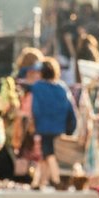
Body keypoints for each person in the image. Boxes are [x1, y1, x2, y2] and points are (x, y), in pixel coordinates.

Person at [29, 57, 77, 189]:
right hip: (59, 127)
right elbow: (71, 109)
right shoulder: (62, 88)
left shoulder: (38, 87)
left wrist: (34, 125)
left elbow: (36, 109)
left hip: (44, 127)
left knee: (48, 154)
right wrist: (70, 128)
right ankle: (40, 181)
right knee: (47, 154)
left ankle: (57, 180)